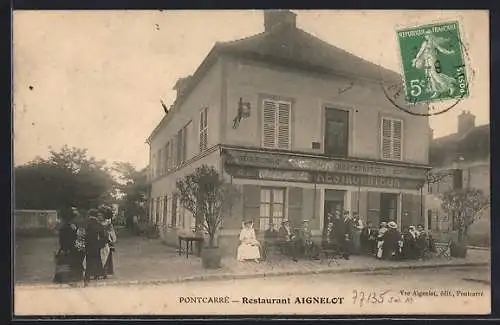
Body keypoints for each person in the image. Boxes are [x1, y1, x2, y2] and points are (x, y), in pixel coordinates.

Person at [412, 30, 457, 99]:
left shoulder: (433, 42)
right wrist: (416, 60)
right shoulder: (424, 43)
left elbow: (441, 49)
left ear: (431, 35)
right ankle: (436, 91)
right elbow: (420, 52)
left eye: (428, 35)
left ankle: (450, 87)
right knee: (430, 77)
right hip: (427, 61)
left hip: (433, 61)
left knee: (436, 75)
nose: (426, 36)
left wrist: (449, 52)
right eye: (426, 35)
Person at [53, 207, 85, 284]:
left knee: (69, 261)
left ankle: (69, 276)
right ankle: (72, 277)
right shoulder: (69, 226)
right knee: (71, 261)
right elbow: (68, 237)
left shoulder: (68, 225)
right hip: (70, 246)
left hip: (70, 246)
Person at [84, 209, 107, 281]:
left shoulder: (85, 224)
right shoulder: (98, 225)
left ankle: (87, 276)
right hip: (96, 245)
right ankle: (97, 274)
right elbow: (104, 237)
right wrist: (101, 244)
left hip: (87, 244)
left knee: (88, 260)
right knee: (97, 259)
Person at [99, 205, 117, 278]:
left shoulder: (107, 223)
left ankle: (105, 272)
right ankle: (101, 271)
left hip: (106, 241)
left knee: (106, 256)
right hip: (101, 241)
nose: (99, 216)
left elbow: (111, 232)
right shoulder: (100, 222)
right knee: (102, 256)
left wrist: (111, 238)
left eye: (101, 214)